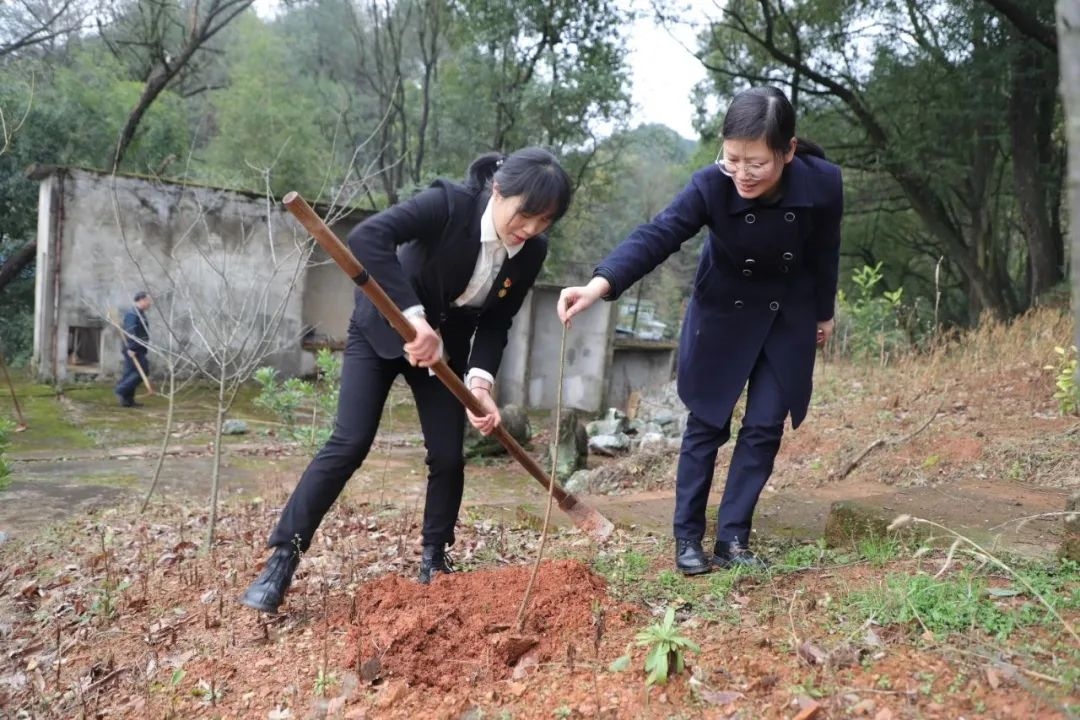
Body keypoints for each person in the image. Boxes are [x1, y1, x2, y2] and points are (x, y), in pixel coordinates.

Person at [241, 147, 573, 613]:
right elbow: (369, 237)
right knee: (350, 442)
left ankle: (435, 560)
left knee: (448, 455)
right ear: (499, 190)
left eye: (544, 221)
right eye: (526, 214)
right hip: (381, 329)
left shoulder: (531, 252)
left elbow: (498, 320)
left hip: (442, 354)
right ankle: (282, 557)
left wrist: (480, 383)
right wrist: (414, 319)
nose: (532, 228)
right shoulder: (449, 204)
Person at [558, 87, 843, 575]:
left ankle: (733, 539)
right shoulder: (711, 185)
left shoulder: (823, 183)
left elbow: (826, 249)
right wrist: (599, 285)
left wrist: (823, 312)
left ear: (788, 151)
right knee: (707, 424)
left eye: (756, 163)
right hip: (725, 314)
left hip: (787, 315)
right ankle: (687, 537)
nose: (742, 173)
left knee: (764, 427)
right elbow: (659, 234)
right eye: (732, 159)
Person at [114, 291, 152, 408]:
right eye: (148, 300)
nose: (150, 303)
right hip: (133, 349)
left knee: (130, 373)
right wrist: (132, 348)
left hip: (137, 348)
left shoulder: (139, 313)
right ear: (141, 300)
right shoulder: (133, 314)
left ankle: (128, 401)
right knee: (142, 371)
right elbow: (131, 331)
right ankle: (121, 389)